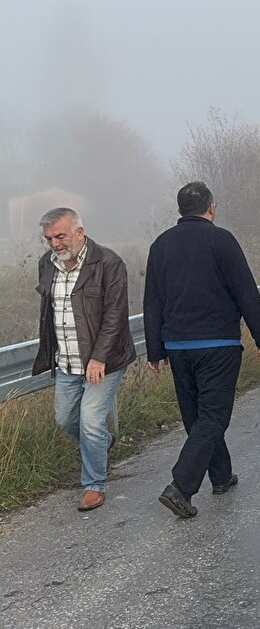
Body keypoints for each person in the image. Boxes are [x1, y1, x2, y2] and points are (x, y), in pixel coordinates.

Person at [145, 181, 260, 519]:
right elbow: (245, 290)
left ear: (180, 209)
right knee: (214, 416)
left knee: (197, 418)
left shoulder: (160, 245)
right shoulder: (222, 240)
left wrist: (154, 349)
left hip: (177, 347)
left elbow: (152, 301)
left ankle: (221, 476)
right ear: (211, 208)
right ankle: (181, 487)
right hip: (218, 344)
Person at [33, 208, 137, 511]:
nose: (54, 243)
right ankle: (101, 443)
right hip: (66, 361)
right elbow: (49, 313)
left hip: (104, 361)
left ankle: (94, 484)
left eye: (60, 235)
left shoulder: (108, 263)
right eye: (49, 238)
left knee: (90, 420)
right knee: (66, 419)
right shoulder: (46, 264)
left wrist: (99, 358)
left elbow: (115, 315)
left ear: (79, 232)